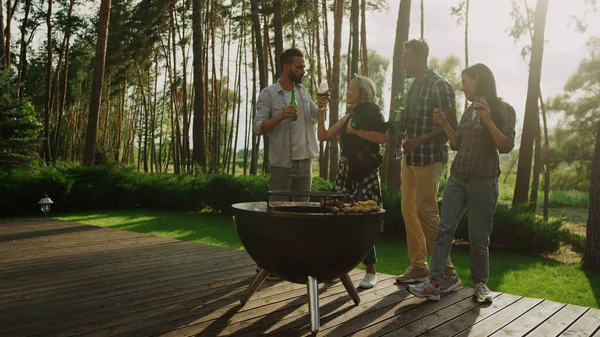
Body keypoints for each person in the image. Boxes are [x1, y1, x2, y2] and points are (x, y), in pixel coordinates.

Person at [408, 63, 517, 302]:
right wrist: (445, 124)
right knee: (444, 229)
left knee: (478, 237)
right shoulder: (468, 111)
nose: (462, 85)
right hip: (458, 177)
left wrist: (488, 120)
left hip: (484, 181)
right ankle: (434, 282)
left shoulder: (503, 109)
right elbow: (457, 144)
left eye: (465, 80)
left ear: (477, 79)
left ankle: (480, 284)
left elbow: (506, 146)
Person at [393, 39, 460, 292]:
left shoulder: (440, 86)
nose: (404, 64)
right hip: (410, 159)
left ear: (420, 59)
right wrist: (398, 113)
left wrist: (419, 140)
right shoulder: (412, 88)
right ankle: (419, 266)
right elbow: (406, 122)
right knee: (408, 211)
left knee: (427, 212)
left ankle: (447, 271)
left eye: (407, 59)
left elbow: (450, 128)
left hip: (430, 158)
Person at [317, 74, 389, 289]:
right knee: (337, 218)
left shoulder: (372, 112)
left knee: (364, 222)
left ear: (363, 92)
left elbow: (382, 138)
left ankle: (371, 270)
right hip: (345, 172)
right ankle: (337, 268)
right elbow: (323, 136)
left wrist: (358, 131)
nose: (347, 91)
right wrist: (321, 113)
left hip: (365, 173)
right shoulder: (347, 116)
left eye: (351, 88)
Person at [254, 48, 329, 201]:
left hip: (305, 164)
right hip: (282, 165)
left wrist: (322, 107)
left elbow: (316, 116)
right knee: (279, 213)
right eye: (299, 67)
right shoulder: (268, 93)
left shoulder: (302, 91)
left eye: (304, 67)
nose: (303, 71)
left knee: (302, 215)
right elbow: (257, 127)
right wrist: (280, 116)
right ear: (286, 67)